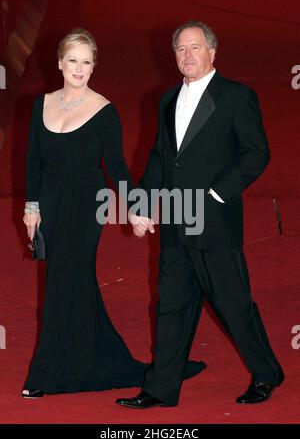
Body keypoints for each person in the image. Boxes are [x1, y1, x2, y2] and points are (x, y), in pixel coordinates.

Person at [22, 28, 205, 399]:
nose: (79, 68)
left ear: (93, 67)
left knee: (60, 283)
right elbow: (32, 164)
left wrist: (136, 210)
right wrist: (31, 206)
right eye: (73, 60)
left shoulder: (104, 111)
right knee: (71, 282)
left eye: (86, 62)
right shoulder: (41, 105)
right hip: (52, 206)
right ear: (60, 63)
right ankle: (92, 358)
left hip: (88, 207)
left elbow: (117, 168)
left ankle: (44, 374)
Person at [116, 21, 285, 409]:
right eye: (180, 49)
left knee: (233, 305)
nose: (187, 55)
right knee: (170, 306)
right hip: (176, 222)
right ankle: (160, 388)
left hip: (214, 222)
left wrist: (216, 194)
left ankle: (266, 372)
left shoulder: (236, 96)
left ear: (212, 52)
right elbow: (161, 159)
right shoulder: (167, 99)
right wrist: (141, 205)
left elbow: (256, 154)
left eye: (195, 47)